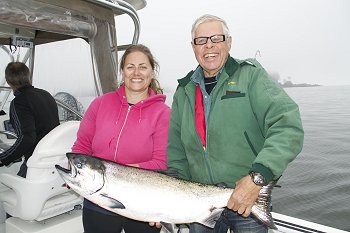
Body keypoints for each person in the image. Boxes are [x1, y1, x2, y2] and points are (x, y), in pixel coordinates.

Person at [167, 14, 304, 233]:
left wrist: (258, 177)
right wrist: (174, 199)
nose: (209, 45)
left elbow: (287, 126)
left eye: (216, 38)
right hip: (199, 203)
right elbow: (176, 150)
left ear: (229, 42)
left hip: (248, 196)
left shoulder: (251, 76)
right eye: (201, 40)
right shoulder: (184, 91)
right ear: (193, 47)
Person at [71, 44, 171, 233]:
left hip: (143, 203)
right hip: (98, 200)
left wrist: (119, 174)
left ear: (152, 72)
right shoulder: (100, 104)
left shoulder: (163, 113)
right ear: (122, 71)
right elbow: (82, 146)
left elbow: (161, 162)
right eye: (130, 67)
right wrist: (76, 171)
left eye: (143, 67)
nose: (136, 73)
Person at [0, 62, 60, 178]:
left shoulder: (19, 103)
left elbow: (27, 139)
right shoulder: (46, 94)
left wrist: (4, 158)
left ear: (8, 81)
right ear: (28, 77)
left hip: (35, 163)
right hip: (53, 160)